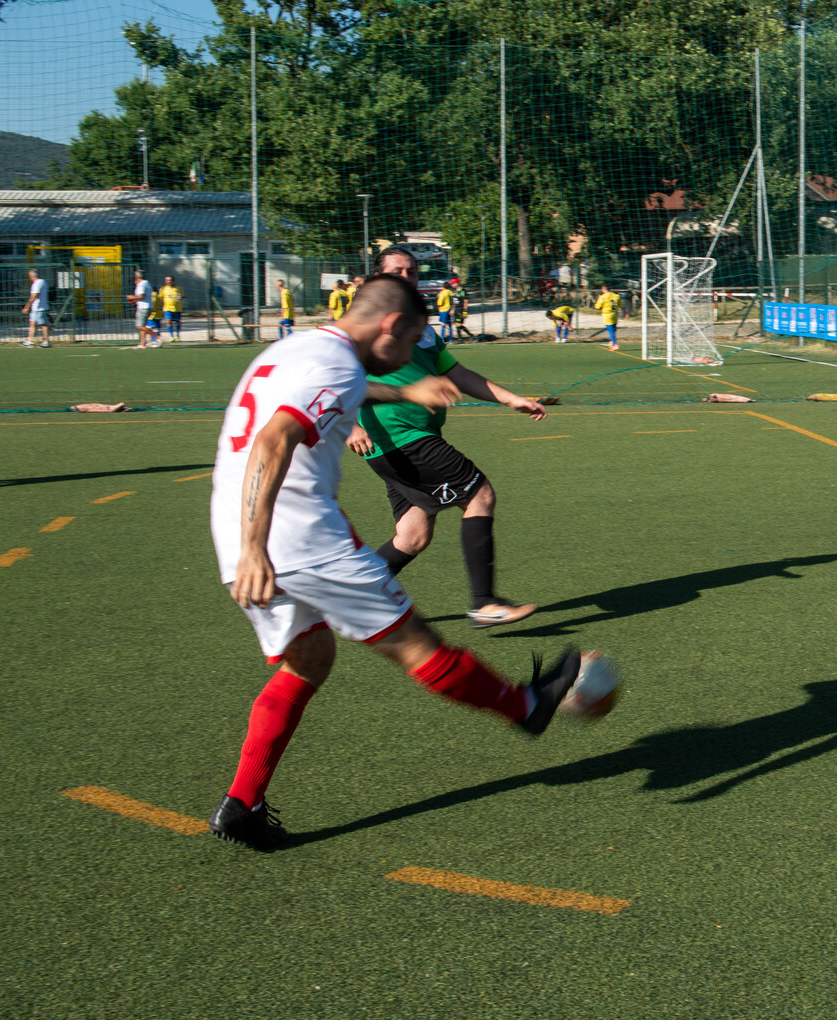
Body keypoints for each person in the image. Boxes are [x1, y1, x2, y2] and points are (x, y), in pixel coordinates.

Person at [207, 273, 583, 849]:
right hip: (293, 532)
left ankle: (242, 803)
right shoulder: (337, 364)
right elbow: (275, 440)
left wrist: (407, 391)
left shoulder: (295, 347)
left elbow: (341, 393)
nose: (410, 357)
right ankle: (525, 706)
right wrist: (258, 545)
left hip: (234, 528)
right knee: (416, 644)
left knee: (308, 658)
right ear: (392, 326)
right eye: (409, 345)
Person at [347, 246, 549, 628]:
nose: (406, 278)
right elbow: (337, 376)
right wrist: (348, 425)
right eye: (396, 271)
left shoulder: (421, 330)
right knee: (480, 494)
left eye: (411, 272)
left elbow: (457, 374)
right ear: (376, 277)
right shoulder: (366, 324)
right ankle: (484, 602)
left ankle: (350, 595)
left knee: (412, 535)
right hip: (400, 436)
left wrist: (509, 398)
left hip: (404, 440)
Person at [22, 268, 52, 348]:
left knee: (43, 324)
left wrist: (27, 306)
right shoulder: (43, 282)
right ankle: (29, 340)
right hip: (36, 308)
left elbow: (34, 295)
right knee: (32, 323)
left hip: (39, 307)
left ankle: (46, 341)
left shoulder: (36, 284)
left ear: (30, 276)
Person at [127, 270, 153, 345]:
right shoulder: (147, 283)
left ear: (137, 277)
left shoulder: (141, 284)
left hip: (143, 307)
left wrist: (132, 297)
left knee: (139, 326)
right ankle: (142, 343)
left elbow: (141, 296)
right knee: (143, 325)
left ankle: (157, 337)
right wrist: (135, 300)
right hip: (149, 306)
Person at [594, 283, 621, 351]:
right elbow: (621, 305)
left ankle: (615, 344)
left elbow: (597, 307)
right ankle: (612, 341)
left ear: (604, 289)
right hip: (615, 314)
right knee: (614, 329)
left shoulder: (603, 297)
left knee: (610, 330)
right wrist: (625, 312)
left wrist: (597, 304)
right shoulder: (616, 296)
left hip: (607, 315)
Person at [158, 276, 183, 342]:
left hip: (177, 309)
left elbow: (182, 296)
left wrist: (180, 297)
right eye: (167, 280)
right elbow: (160, 298)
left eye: (170, 280)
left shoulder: (178, 288)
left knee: (178, 322)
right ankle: (171, 336)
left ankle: (177, 335)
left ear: (173, 280)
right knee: (168, 321)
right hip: (167, 308)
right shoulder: (162, 289)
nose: (168, 281)